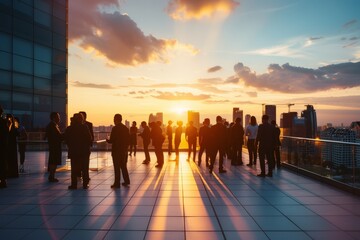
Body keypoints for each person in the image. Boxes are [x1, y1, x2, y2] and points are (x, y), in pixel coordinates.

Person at [64, 113, 92, 189]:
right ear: (81, 119)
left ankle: (74, 184)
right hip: (84, 151)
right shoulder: (84, 127)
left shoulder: (70, 128)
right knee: (85, 168)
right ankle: (85, 184)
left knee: (74, 169)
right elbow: (89, 138)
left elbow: (66, 139)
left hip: (74, 151)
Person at [106, 114, 130, 188]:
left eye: (114, 119)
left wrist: (108, 140)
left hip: (116, 150)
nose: (113, 120)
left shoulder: (115, 128)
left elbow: (112, 140)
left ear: (116, 119)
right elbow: (128, 140)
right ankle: (126, 181)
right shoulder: (125, 128)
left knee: (117, 167)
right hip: (123, 150)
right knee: (123, 166)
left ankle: (117, 183)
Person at [45, 112, 63, 182]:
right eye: (58, 117)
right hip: (54, 147)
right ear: (54, 118)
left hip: (54, 147)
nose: (59, 118)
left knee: (54, 161)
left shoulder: (53, 125)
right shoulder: (52, 126)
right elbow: (56, 137)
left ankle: (52, 176)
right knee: (53, 161)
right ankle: (51, 176)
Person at [79, 111, 94, 179]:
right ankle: (80, 174)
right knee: (80, 162)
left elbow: (91, 135)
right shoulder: (76, 125)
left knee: (85, 162)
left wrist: (90, 143)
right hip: (79, 147)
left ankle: (85, 175)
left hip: (85, 147)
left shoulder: (89, 124)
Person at [0, 106, 9, 188]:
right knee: (2, 163)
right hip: (2, 146)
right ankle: (3, 181)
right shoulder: (3, 122)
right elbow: (7, 132)